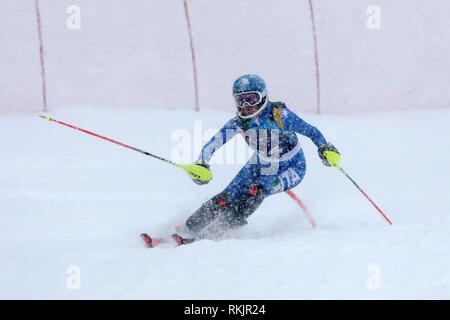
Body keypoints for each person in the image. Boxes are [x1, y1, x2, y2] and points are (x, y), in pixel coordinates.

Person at [145, 74, 340, 247]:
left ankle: (221, 227)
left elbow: (311, 131)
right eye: (241, 100)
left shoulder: (281, 116)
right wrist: (202, 162)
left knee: (257, 190)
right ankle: (189, 227)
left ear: (263, 97)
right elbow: (214, 143)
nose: (246, 106)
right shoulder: (239, 122)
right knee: (226, 196)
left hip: (291, 167)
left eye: (251, 99)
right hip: (259, 163)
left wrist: (325, 147)